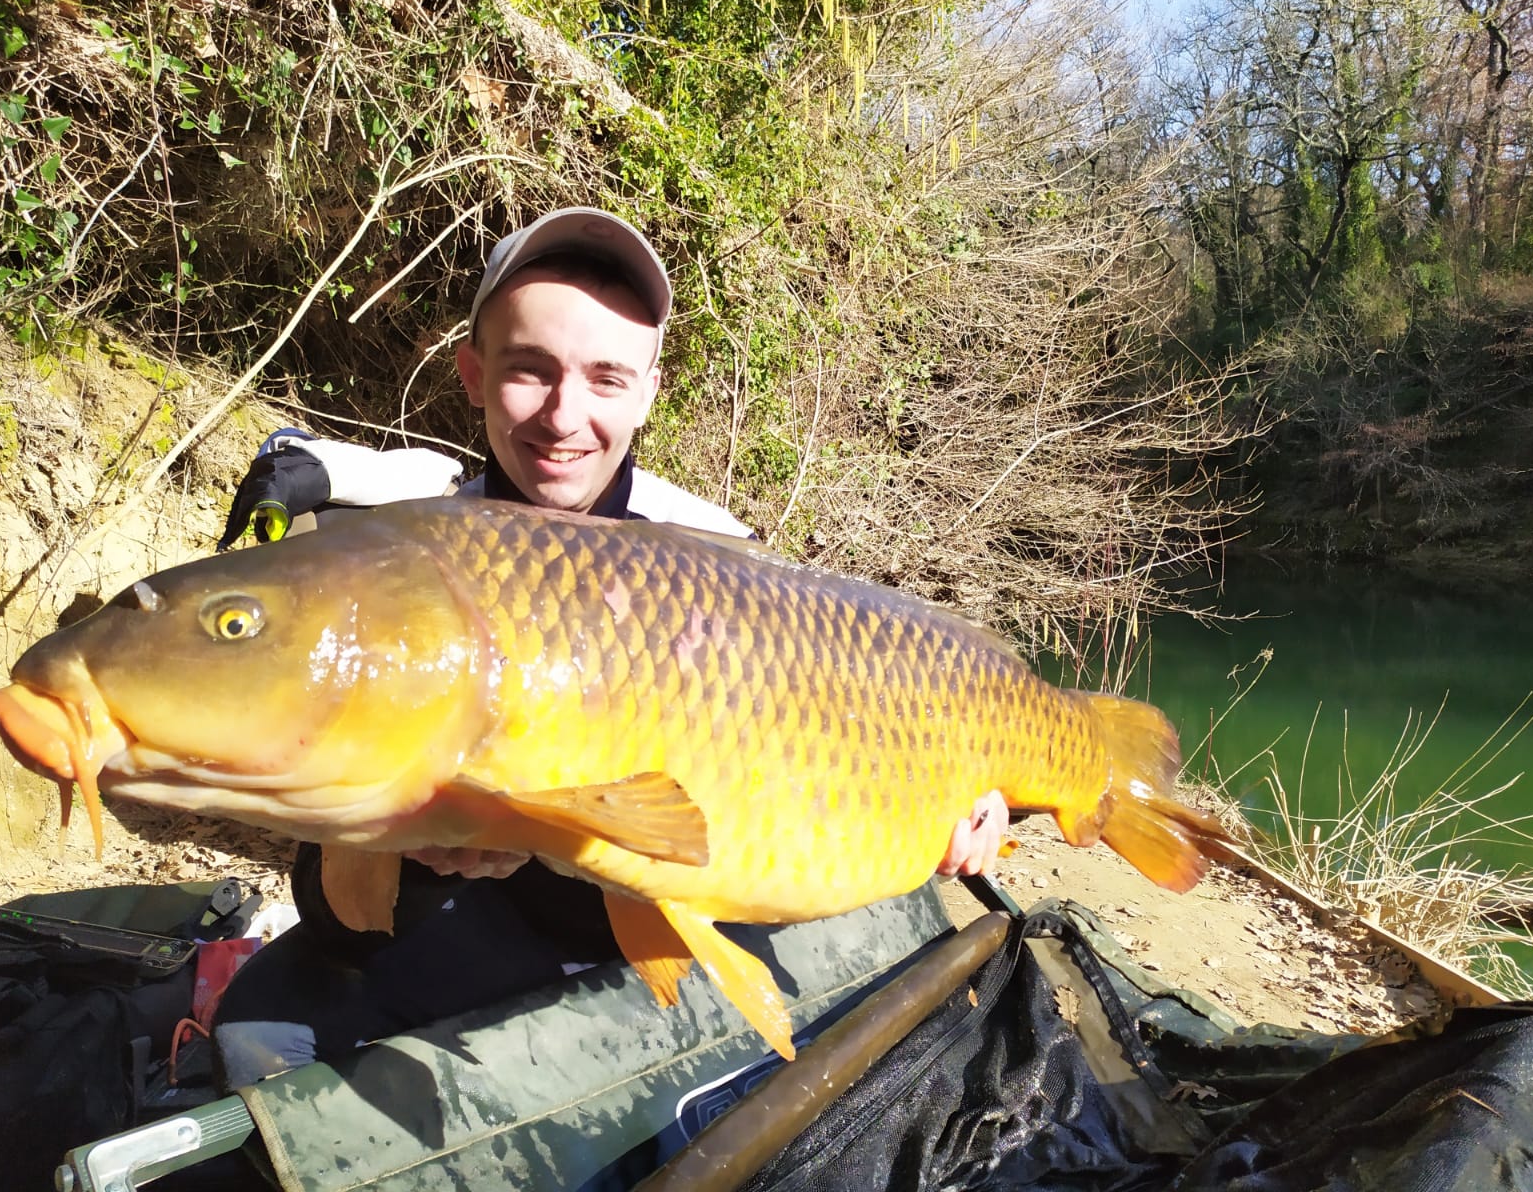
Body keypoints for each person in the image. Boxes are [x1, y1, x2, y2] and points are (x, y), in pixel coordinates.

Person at [211, 206, 1009, 1087]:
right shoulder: (414, 563)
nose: (564, 416)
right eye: (529, 371)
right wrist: (420, 857)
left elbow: (875, 717)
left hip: (682, 915)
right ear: (473, 373)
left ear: (648, 391)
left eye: (606, 379)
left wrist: (977, 794)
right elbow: (334, 912)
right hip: (496, 927)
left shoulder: (714, 551)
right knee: (260, 1029)